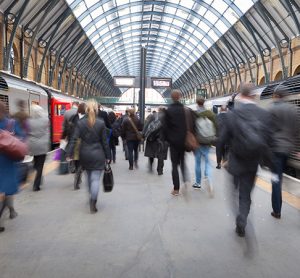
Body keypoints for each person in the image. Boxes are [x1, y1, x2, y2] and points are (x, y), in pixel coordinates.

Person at [219, 84, 272, 237]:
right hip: (252, 163)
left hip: (235, 161)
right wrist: (268, 163)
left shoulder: (232, 115)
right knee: (245, 194)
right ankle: (242, 219)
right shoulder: (264, 114)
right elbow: (268, 141)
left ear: (241, 96)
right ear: (253, 96)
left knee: (233, 192)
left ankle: (239, 219)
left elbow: (222, 140)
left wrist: (222, 158)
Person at [67, 100, 111, 213]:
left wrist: (69, 153)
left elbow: (74, 139)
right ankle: (93, 201)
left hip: (84, 154)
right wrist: (108, 156)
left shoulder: (81, 123)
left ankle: (90, 195)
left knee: (88, 178)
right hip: (98, 154)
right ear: (96, 109)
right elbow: (105, 142)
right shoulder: (101, 123)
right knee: (95, 179)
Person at [269, 85, 299, 219]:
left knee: (276, 179)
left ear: (276, 96)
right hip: (289, 150)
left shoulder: (272, 109)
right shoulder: (294, 110)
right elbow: (298, 131)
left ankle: (277, 210)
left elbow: (267, 130)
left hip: (275, 151)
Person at [0, 101, 25, 232]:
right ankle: (7, 213)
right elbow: (22, 137)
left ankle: (11, 210)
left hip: (4, 160)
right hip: (7, 160)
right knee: (7, 189)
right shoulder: (11, 123)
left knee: (3, 189)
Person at [163, 90, 188, 196]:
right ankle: (186, 182)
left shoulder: (168, 111)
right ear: (180, 97)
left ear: (171, 98)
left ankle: (176, 189)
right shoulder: (185, 110)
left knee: (174, 165)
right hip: (183, 141)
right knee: (182, 162)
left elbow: (165, 127)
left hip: (173, 142)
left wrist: (167, 139)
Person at [192, 97, 217, 191]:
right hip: (207, 141)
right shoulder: (210, 113)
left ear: (197, 103)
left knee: (198, 162)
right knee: (207, 161)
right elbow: (215, 126)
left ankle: (198, 183)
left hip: (197, 142)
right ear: (204, 103)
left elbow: (192, 127)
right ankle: (208, 178)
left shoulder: (194, 114)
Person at [27, 105, 50, 191]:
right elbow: (47, 130)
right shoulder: (45, 120)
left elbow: (27, 132)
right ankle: (36, 185)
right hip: (42, 145)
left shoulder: (28, 121)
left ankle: (35, 173)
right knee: (40, 166)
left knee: (36, 163)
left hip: (33, 145)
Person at [143, 107, 168, 175]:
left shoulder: (153, 115)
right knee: (161, 155)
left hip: (152, 138)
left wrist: (144, 135)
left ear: (159, 110)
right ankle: (160, 170)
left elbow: (146, 125)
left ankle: (151, 167)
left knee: (151, 153)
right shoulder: (167, 118)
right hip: (163, 139)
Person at [72, 103, 86, 190]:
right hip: (83, 142)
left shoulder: (74, 117)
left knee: (76, 160)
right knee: (81, 161)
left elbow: (69, 128)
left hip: (75, 142)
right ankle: (78, 174)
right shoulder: (87, 118)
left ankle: (77, 174)